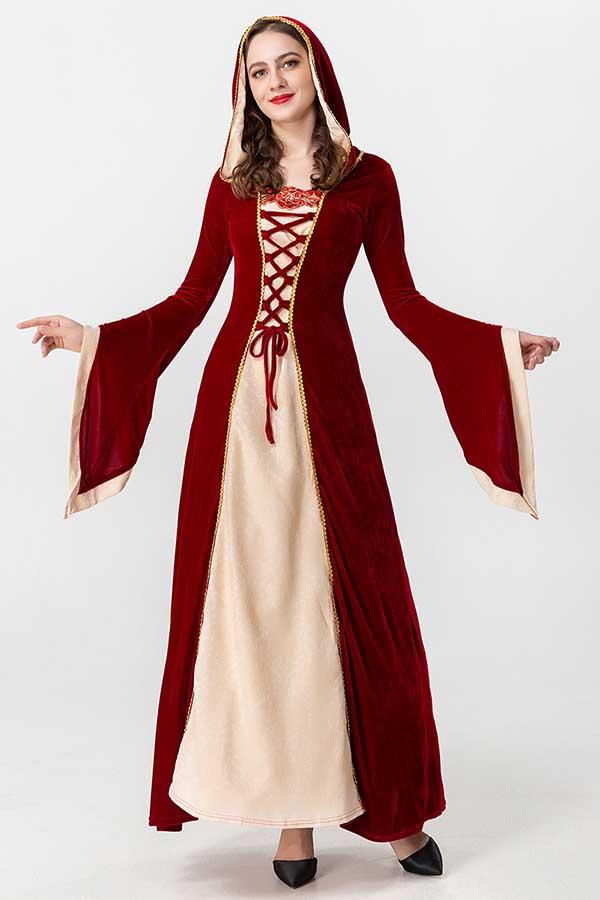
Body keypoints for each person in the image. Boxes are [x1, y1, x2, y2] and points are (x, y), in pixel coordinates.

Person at [16, 13, 559, 891]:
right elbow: (192, 299)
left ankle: (395, 814)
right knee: (258, 607)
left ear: (317, 71)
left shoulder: (368, 179)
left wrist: (496, 346)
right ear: (245, 87)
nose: (273, 81)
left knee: (348, 600)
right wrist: (93, 339)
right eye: (258, 70)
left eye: (287, 63)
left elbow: (405, 303)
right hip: (234, 422)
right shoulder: (232, 183)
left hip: (327, 413)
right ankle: (292, 817)